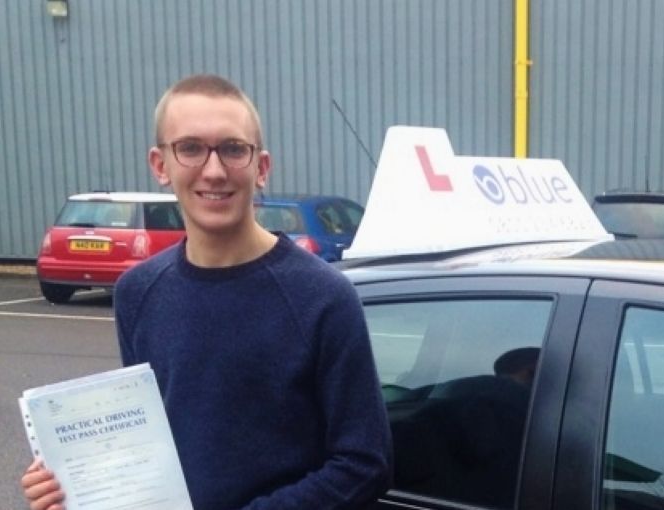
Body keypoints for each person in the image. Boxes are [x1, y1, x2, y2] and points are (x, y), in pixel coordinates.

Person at [21, 74, 392, 509]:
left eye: (234, 149)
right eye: (191, 148)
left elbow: (365, 463)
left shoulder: (323, 297)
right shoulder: (138, 292)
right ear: (161, 165)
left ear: (262, 167)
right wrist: (69, 482)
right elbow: (147, 445)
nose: (214, 171)